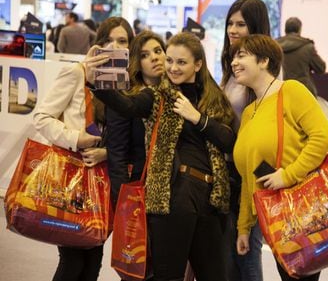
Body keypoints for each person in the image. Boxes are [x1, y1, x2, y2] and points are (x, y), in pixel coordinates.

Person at [85, 31, 236, 281]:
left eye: (181, 62)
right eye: (170, 61)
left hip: (211, 199)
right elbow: (127, 105)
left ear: (198, 65)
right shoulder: (157, 96)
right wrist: (97, 82)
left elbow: (228, 140)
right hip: (173, 196)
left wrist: (197, 118)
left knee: (216, 275)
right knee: (168, 276)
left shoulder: (213, 99)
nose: (173, 68)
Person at [33, 16, 134, 281]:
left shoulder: (128, 85)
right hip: (71, 180)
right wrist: (76, 138)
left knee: (93, 261)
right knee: (72, 260)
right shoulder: (77, 72)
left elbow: (128, 137)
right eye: (108, 40)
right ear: (98, 43)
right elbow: (42, 117)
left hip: (104, 184)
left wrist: (107, 151)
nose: (114, 46)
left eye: (122, 41)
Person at [230, 34, 328, 281]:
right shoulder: (249, 112)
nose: (234, 62)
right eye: (233, 56)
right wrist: (244, 228)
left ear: (264, 61)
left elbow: (323, 137)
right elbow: (248, 176)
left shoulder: (291, 91)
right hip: (276, 221)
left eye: (241, 55)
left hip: (301, 213)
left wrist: (287, 175)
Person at [220, 0, 281, 281]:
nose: (232, 29)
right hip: (231, 169)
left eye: (241, 24)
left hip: (256, 172)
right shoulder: (232, 66)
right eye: (230, 23)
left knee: (247, 251)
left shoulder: (267, 74)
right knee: (234, 249)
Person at [106, 30, 166, 210]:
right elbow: (117, 155)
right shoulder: (127, 97)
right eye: (145, 55)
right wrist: (122, 204)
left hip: (171, 190)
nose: (154, 58)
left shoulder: (176, 92)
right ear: (137, 63)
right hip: (139, 187)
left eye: (158, 51)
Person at [277, 17, 326, 96]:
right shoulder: (307, 47)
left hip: (280, 91)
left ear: (285, 30)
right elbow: (321, 68)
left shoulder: (275, 45)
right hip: (304, 92)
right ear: (299, 30)